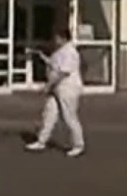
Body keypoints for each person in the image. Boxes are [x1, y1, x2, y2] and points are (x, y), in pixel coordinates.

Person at [25, 27, 85, 157]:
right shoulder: (60, 51)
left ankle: (78, 145)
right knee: (49, 114)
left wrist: (48, 85)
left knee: (69, 117)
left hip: (68, 88)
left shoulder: (70, 52)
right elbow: (54, 64)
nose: (55, 40)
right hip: (57, 88)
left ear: (64, 38)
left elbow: (63, 72)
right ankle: (41, 140)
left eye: (57, 38)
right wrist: (41, 56)